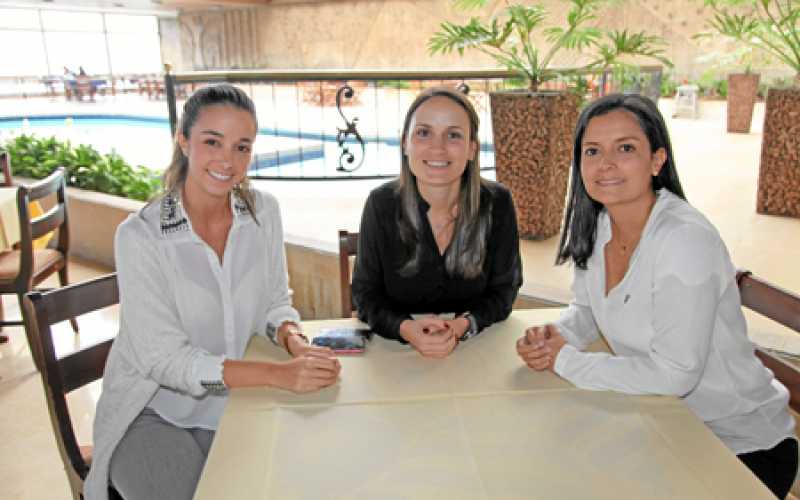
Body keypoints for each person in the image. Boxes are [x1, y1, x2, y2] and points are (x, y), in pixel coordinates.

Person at [516, 93, 797, 498]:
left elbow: (675, 373)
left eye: (625, 148)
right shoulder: (599, 224)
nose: (606, 163)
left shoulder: (684, 240)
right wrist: (555, 336)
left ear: (657, 160)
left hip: (736, 445)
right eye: (592, 150)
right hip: (660, 418)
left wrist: (566, 360)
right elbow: (589, 310)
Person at [85, 85, 341, 500]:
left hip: (235, 406)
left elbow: (275, 303)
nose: (228, 160)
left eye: (242, 147)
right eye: (212, 142)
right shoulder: (141, 236)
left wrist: (293, 340)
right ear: (183, 140)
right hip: (150, 413)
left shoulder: (263, 213)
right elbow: (165, 360)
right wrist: (278, 374)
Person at [352, 86, 522, 358]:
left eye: (453, 135)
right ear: (405, 143)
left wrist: (462, 326)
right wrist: (405, 329)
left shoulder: (497, 203)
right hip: (395, 356)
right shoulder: (380, 204)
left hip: (476, 351)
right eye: (423, 133)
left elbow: (504, 292)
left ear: (472, 148)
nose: (437, 148)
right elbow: (365, 295)